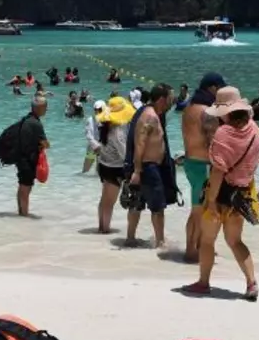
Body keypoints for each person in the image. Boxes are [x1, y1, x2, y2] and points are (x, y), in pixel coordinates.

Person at [183, 87, 259, 300]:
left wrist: (210, 201)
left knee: (208, 241)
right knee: (236, 241)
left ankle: (203, 283)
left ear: (225, 112)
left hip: (220, 195)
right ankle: (251, 282)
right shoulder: (254, 129)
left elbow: (218, 171)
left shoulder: (223, 133)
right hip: (242, 194)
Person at [182, 73, 226, 262]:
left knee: (197, 209)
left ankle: (195, 247)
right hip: (203, 165)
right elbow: (213, 141)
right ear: (212, 88)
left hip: (191, 163)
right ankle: (192, 251)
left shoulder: (189, 108)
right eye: (220, 90)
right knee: (199, 211)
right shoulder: (208, 111)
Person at [127, 86, 178, 249]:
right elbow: (140, 143)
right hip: (147, 167)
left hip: (148, 166)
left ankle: (131, 238)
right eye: (170, 98)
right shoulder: (150, 116)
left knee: (137, 202)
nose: (172, 101)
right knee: (157, 207)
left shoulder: (153, 114)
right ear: (162, 99)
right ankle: (160, 242)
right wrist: (137, 170)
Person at [94, 98, 132, 236]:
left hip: (104, 165)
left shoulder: (104, 126)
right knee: (110, 202)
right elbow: (123, 154)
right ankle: (105, 230)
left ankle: (101, 227)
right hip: (114, 168)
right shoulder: (117, 131)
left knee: (104, 199)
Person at [15, 96, 48, 217]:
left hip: (20, 157)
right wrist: (47, 145)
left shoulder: (26, 119)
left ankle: (21, 212)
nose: (46, 109)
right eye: (45, 107)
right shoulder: (36, 123)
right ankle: (24, 215)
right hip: (27, 160)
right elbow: (45, 143)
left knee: (22, 185)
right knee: (26, 187)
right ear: (39, 108)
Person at [83, 99, 106, 175]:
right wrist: (96, 146)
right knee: (86, 169)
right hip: (92, 147)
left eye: (99, 109)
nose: (97, 111)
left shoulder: (107, 119)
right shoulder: (90, 120)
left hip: (103, 147)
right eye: (95, 109)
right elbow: (88, 135)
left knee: (100, 170)